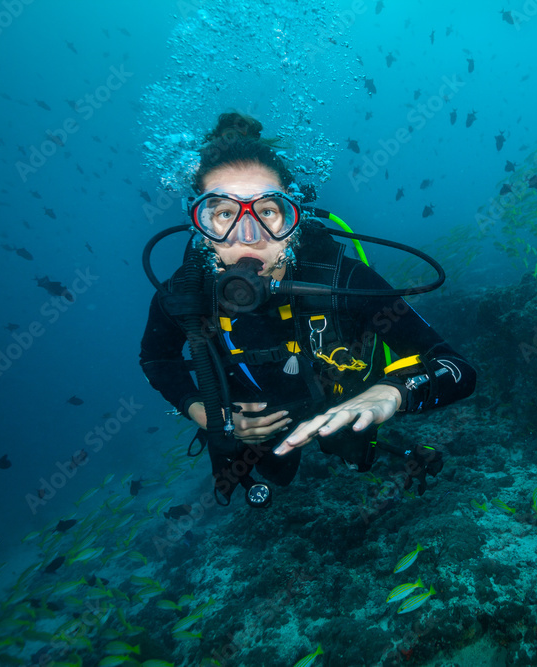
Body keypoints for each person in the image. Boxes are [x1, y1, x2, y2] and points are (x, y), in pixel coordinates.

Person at [139, 112, 476, 507]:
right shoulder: (185, 293)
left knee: (355, 450)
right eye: (224, 214)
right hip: (255, 426)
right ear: (201, 227)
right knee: (275, 474)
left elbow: (457, 368)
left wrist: (394, 392)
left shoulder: (342, 280)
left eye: (267, 211)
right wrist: (205, 412)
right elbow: (156, 359)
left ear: (293, 218)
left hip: (341, 406)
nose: (248, 236)